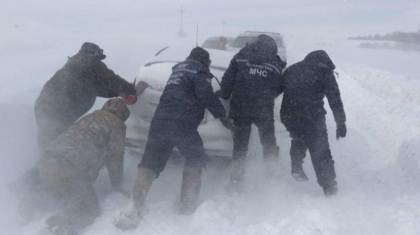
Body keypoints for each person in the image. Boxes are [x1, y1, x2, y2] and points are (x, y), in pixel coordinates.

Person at [114, 47, 234, 231]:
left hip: (160, 122)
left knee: (150, 163)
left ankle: (134, 206)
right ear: (205, 62)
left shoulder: (177, 72)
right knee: (196, 158)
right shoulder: (199, 71)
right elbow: (206, 95)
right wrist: (223, 117)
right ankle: (187, 204)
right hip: (183, 123)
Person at [36, 98, 130, 235]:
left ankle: (28, 206)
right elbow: (115, 158)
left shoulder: (90, 117)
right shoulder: (116, 125)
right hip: (69, 168)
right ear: (123, 115)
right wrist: (117, 183)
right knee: (89, 208)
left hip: (47, 158)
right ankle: (62, 226)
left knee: (54, 187)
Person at [34, 42, 136, 152]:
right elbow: (112, 80)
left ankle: (44, 164)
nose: (99, 62)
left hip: (43, 106)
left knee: (49, 143)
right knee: (58, 147)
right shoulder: (90, 63)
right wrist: (130, 89)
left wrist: (119, 93)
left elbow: (95, 88)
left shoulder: (77, 67)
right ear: (94, 55)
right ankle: (50, 166)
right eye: (98, 58)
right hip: (57, 111)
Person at [217, 34, 286, 193]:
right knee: (268, 142)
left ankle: (236, 182)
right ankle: (271, 176)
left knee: (240, 146)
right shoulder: (275, 62)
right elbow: (279, 86)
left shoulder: (241, 56)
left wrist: (225, 94)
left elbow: (227, 80)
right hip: (263, 109)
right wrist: (268, 95)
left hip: (241, 107)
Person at [279, 50, 346, 197]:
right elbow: (334, 99)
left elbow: (276, 89)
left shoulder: (292, 69)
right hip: (312, 117)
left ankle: (296, 165)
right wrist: (341, 122)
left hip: (289, 115)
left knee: (299, 138)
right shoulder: (325, 72)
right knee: (321, 151)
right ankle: (329, 187)